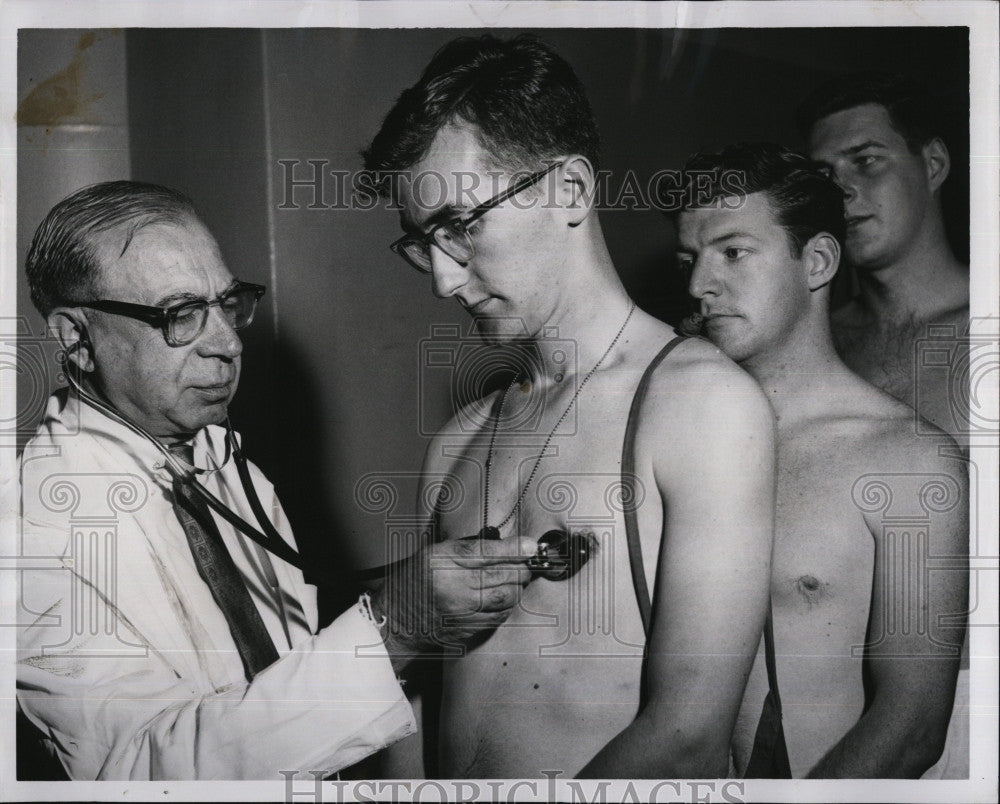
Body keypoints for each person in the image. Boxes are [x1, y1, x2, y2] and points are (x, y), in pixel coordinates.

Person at [16, 181, 536, 781]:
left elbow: (285, 662)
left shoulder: (225, 465)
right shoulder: (35, 529)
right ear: (76, 338)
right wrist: (394, 631)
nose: (228, 344)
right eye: (181, 315)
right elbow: (140, 773)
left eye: (228, 304)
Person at [362, 35, 777, 779]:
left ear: (571, 191)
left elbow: (688, 731)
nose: (442, 282)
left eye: (462, 226)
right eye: (421, 244)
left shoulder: (704, 407)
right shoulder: (460, 439)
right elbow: (416, 689)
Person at [674, 143, 968, 777]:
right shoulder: (674, 443)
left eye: (732, 252)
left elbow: (913, 725)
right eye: (690, 259)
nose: (700, 284)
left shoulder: (909, 462)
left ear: (817, 261)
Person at [797, 72, 969, 452]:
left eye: (866, 160)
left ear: (934, 164)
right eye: (823, 175)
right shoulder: (815, 341)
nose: (839, 190)